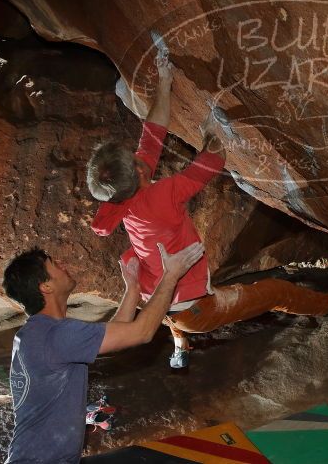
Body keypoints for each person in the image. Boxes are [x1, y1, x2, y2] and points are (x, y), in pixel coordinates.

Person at [1, 242, 203, 464]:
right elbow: (141, 332)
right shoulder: (56, 335)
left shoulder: (36, 333)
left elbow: (118, 333)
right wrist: (171, 275)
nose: (62, 264)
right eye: (54, 265)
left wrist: (132, 288)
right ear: (45, 287)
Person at [86, 60, 225, 368]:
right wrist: (212, 130)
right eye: (134, 159)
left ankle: (179, 345)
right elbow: (214, 160)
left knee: (170, 311)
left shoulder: (117, 198)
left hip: (157, 291)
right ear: (137, 171)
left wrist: (165, 81)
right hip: (191, 300)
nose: (138, 156)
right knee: (272, 294)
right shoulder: (161, 195)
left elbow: (151, 137)